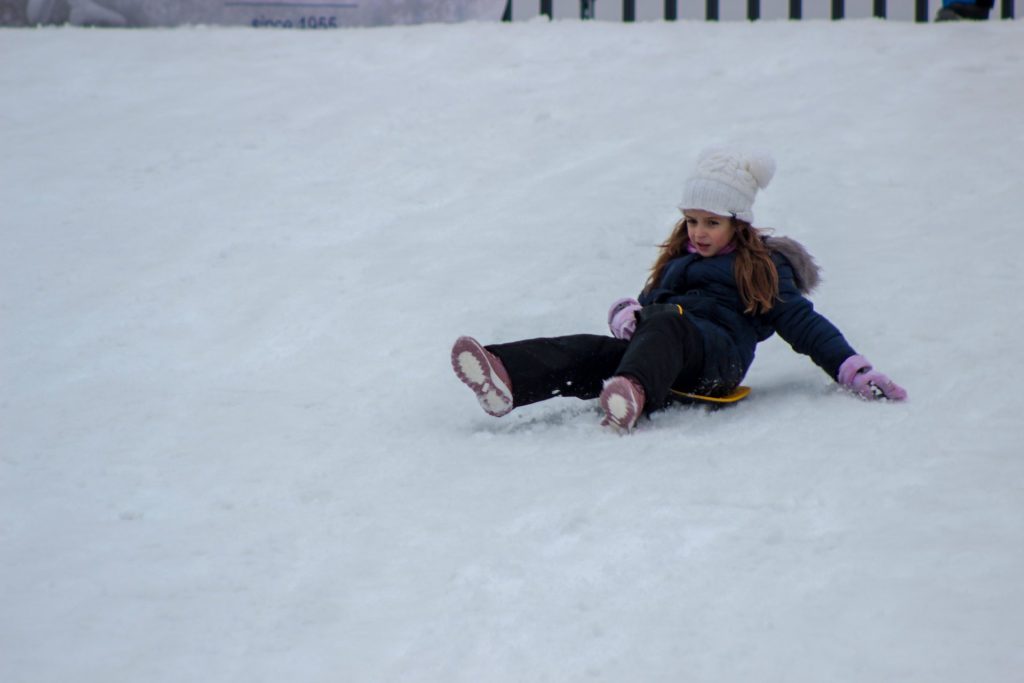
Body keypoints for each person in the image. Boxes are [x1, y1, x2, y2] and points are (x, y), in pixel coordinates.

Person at [450, 148, 907, 432]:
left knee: (668, 324)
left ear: (737, 223)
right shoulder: (678, 261)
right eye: (692, 220)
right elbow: (651, 312)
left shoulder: (762, 267)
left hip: (716, 361)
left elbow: (803, 324)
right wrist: (630, 315)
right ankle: (507, 376)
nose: (699, 232)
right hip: (666, 355)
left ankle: (631, 391)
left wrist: (853, 370)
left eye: (712, 223)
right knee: (593, 349)